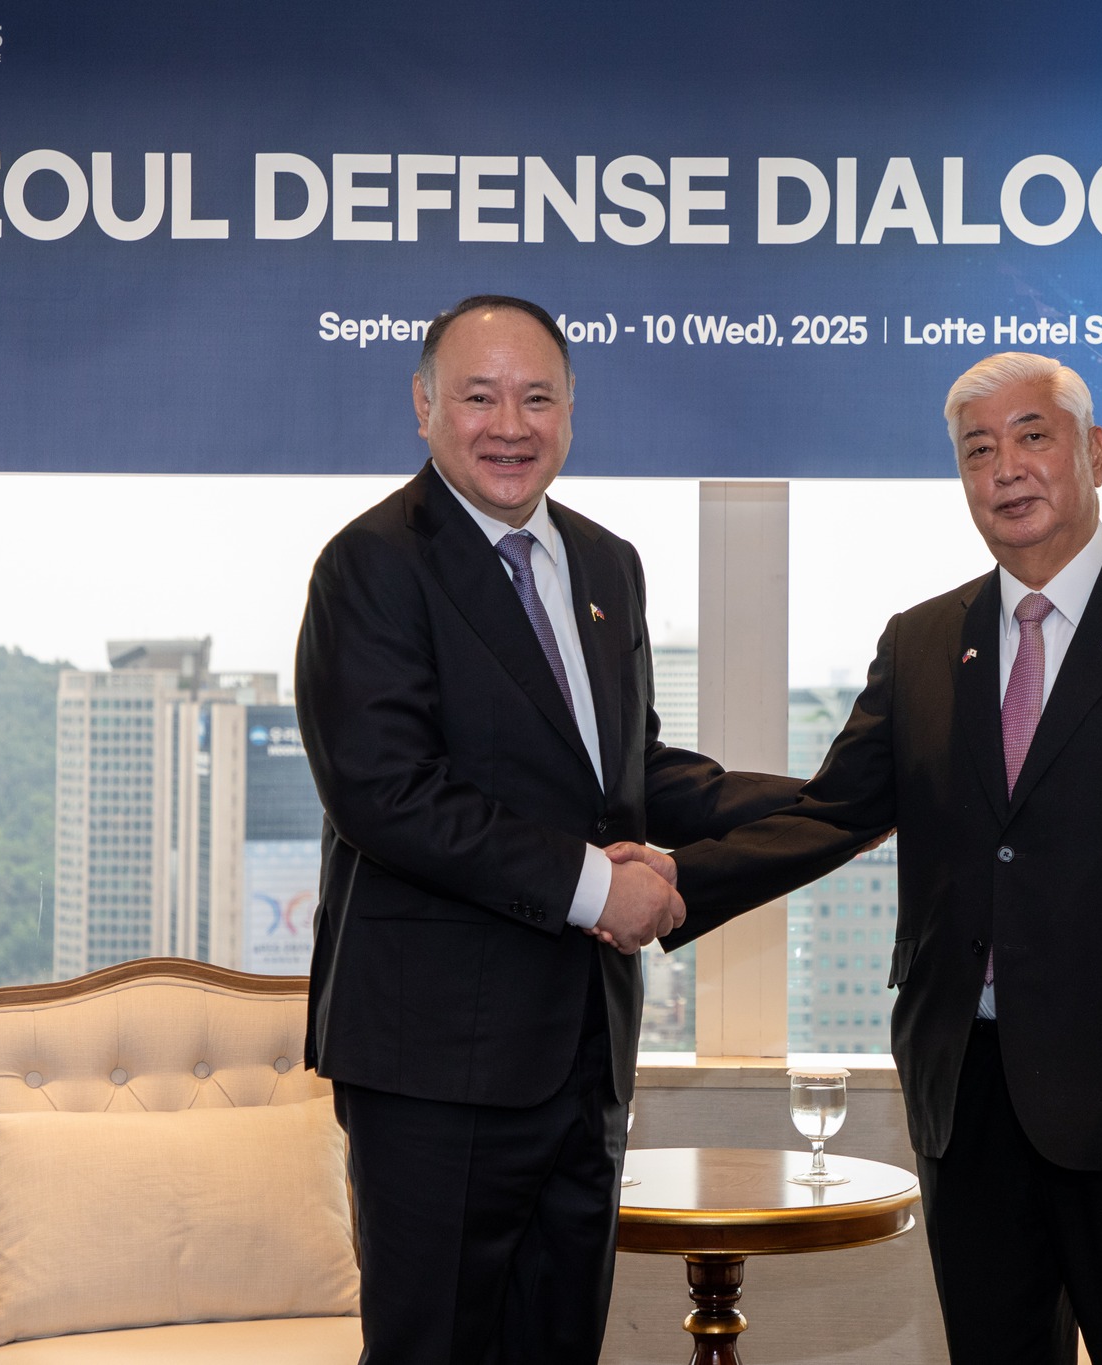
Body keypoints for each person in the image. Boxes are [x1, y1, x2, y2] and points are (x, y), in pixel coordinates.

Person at [654, 351, 1102, 1365]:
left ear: (1092, 452)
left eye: (1032, 437)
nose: (1006, 469)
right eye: (977, 451)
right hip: (966, 1094)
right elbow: (832, 812)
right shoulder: (921, 641)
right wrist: (672, 880)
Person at [294, 295, 797, 1365]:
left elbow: (628, 774)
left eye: (537, 398)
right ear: (424, 406)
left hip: (583, 1055)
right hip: (431, 1066)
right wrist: (599, 887)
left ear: (572, 411)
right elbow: (385, 794)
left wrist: (825, 802)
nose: (509, 426)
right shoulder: (371, 564)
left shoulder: (606, 564)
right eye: (478, 398)